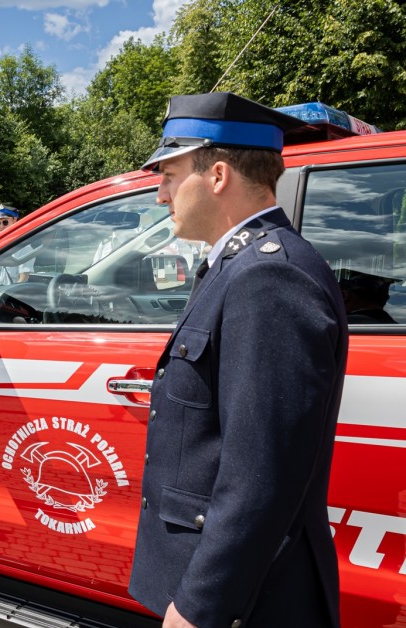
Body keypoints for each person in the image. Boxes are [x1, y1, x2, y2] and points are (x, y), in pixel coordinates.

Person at [128, 92, 347, 628]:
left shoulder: (268, 276)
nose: (160, 194)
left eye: (170, 175)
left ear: (218, 174)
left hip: (248, 601)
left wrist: (203, 605)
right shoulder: (238, 263)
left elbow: (261, 475)